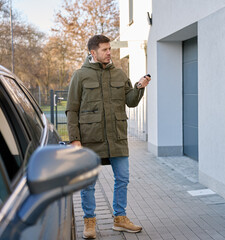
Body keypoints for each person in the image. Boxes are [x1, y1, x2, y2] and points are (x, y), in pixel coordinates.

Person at [66, 34, 150, 239]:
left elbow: (130, 101)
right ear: (93, 52)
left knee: (122, 178)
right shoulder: (80, 76)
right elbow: (72, 109)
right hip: (90, 139)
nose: (109, 52)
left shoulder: (119, 74)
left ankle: (120, 219)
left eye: (110, 49)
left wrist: (139, 87)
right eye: (105, 49)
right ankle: (89, 222)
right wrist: (75, 139)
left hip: (117, 137)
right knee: (89, 182)